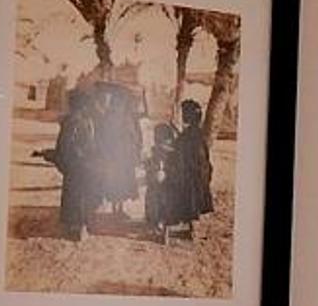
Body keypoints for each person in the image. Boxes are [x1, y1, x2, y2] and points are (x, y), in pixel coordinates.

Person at [52, 76, 140, 239]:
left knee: (75, 194)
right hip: (87, 162)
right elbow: (90, 140)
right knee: (85, 194)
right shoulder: (88, 119)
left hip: (87, 162)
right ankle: (81, 225)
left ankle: (76, 224)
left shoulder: (77, 119)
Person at [152, 97, 215, 237]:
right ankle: (191, 229)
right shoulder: (198, 134)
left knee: (166, 186)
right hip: (200, 178)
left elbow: (179, 156)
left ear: (188, 116)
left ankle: (165, 225)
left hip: (190, 180)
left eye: (184, 113)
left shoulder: (187, 137)